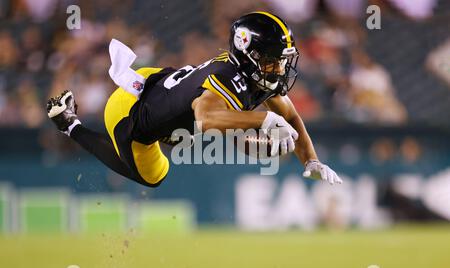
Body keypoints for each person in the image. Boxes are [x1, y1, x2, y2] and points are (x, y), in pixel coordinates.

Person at [46, 11, 342, 187]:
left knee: (191, 131)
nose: (279, 69)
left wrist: (310, 160)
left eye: (281, 61)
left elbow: (286, 118)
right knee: (152, 176)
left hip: (158, 83)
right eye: (271, 61)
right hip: (129, 111)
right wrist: (265, 118)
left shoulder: (252, 75)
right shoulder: (227, 80)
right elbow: (207, 118)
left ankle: (71, 123)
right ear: (248, 54)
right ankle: (70, 124)